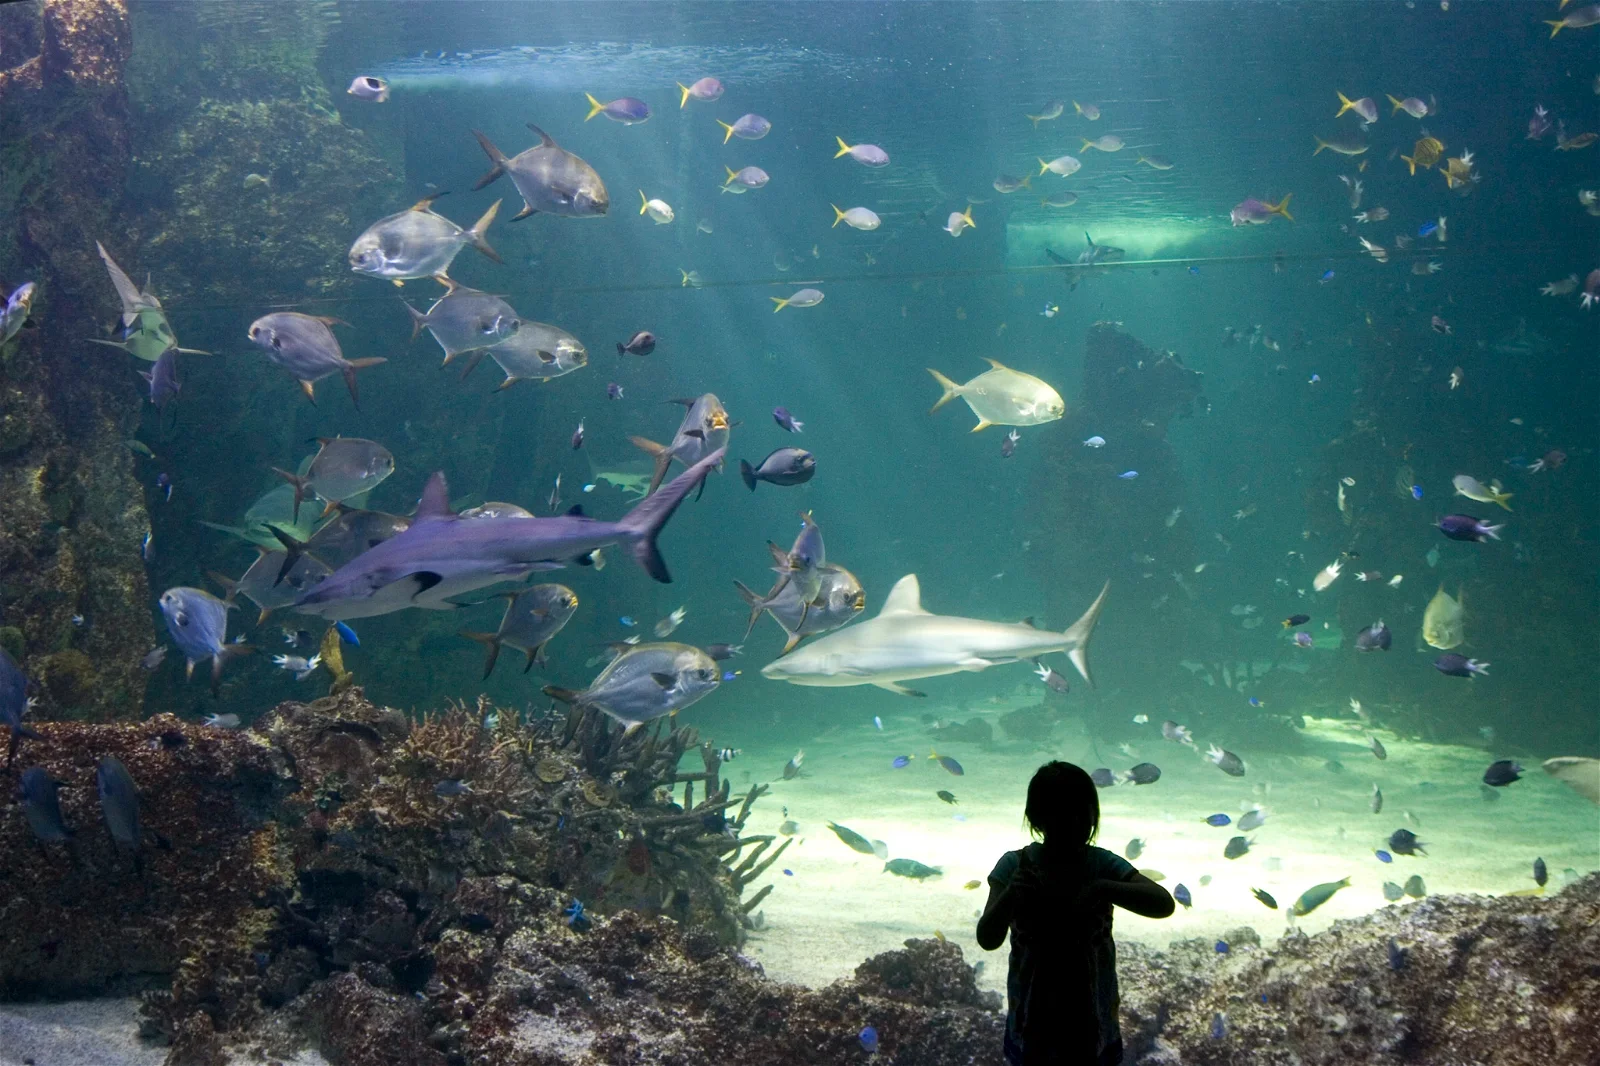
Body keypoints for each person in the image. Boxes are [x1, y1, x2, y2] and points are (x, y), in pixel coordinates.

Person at [977, 760, 1174, 1065]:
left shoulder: (1102, 866)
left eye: (1078, 817)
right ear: (1038, 819)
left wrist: (1101, 888)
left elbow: (1162, 902)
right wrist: (1012, 893)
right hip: (1033, 1017)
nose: (1072, 825)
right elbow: (988, 937)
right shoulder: (1014, 868)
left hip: (1090, 1015)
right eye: (1062, 817)